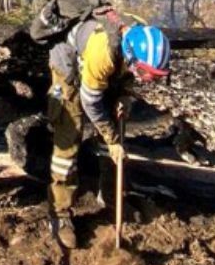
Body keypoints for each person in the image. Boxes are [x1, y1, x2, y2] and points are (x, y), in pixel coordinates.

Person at [46, 13, 170, 249]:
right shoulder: (103, 52)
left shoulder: (135, 41)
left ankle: (111, 198)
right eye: (146, 74)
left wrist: (124, 95)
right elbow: (90, 102)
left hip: (102, 73)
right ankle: (59, 213)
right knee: (69, 135)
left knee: (114, 128)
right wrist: (112, 139)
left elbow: (128, 75)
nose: (147, 80)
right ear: (134, 59)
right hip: (69, 65)